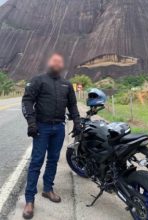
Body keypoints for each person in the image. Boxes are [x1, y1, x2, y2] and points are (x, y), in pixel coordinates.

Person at [21, 53, 81, 219]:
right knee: (36, 162)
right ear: (49, 64)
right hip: (41, 128)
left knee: (53, 160)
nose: (56, 64)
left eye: (59, 62)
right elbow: (26, 101)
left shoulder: (66, 85)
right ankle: (29, 200)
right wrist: (31, 123)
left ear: (62, 65)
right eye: (54, 61)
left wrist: (77, 122)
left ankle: (48, 189)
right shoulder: (38, 80)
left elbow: (73, 105)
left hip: (59, 128)